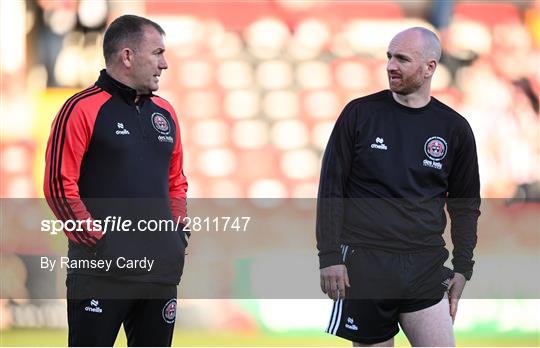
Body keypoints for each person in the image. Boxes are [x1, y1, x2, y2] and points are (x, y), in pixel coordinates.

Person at [316, 27, 480, 347]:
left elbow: (465, 206)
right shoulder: (359, 114)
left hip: (425, 265)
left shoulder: (454, 128)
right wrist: (329, 256)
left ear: (430, 67)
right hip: (366, 265)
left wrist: (463, 267)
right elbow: (331, 189)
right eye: (389, 57)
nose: (391, 65)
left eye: (402, 59)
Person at [43, 15, 188, 346]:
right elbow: (58, 186)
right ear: (127, 56)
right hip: (100, 275)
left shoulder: (165, 113)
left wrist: (175, 233)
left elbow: (176, 181)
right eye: (157, 53)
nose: (164, 64)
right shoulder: (80, 109)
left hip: (159, 275)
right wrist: (100, 243)